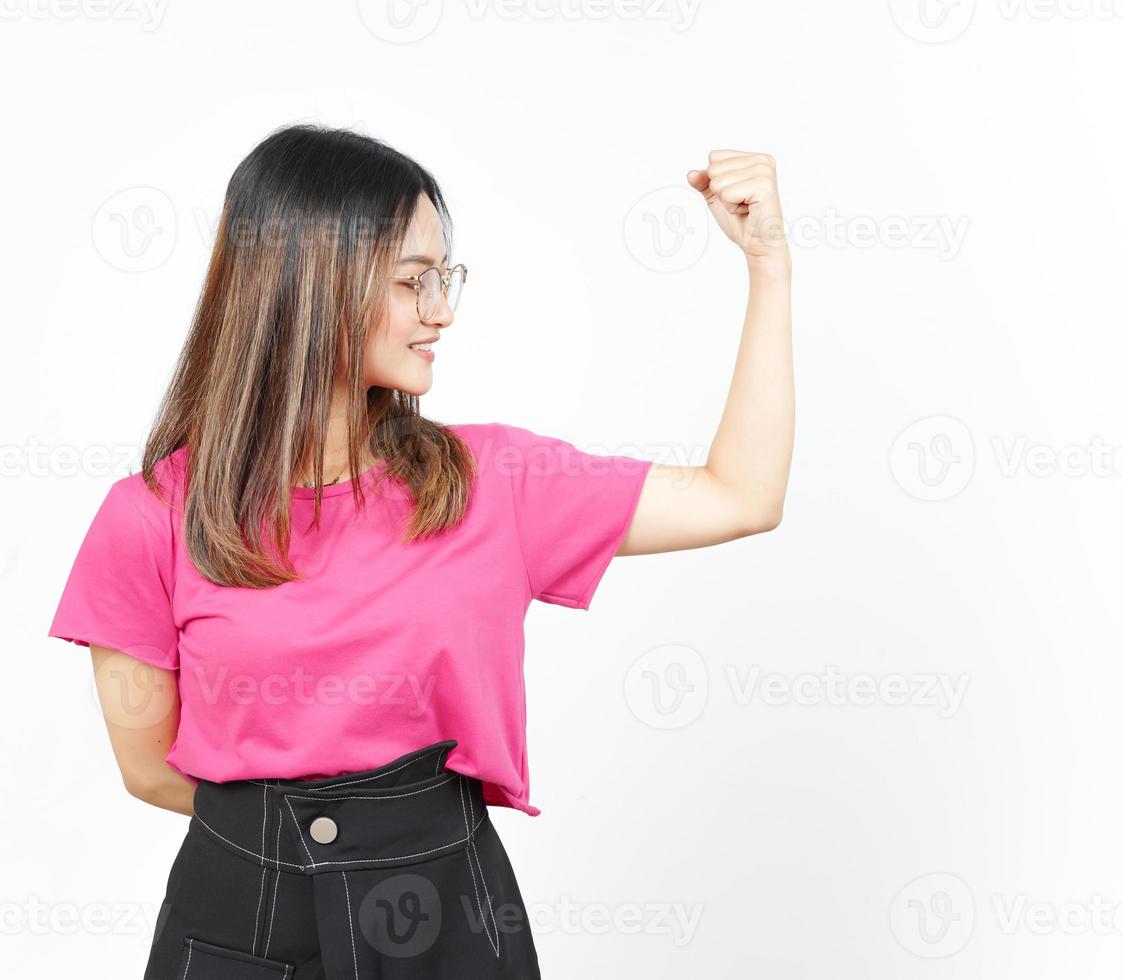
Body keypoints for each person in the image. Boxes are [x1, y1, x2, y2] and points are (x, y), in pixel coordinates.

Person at [45, 123, 794, 979]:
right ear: (305, 284)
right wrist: (305, 844)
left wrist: (767, 266)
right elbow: (149, 770)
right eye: (412, 281)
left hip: (451, 921)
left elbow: (743, 495)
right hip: (236, 925)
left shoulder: (495, 479)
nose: (441, 309)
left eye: (445, 277)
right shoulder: (148, 516)